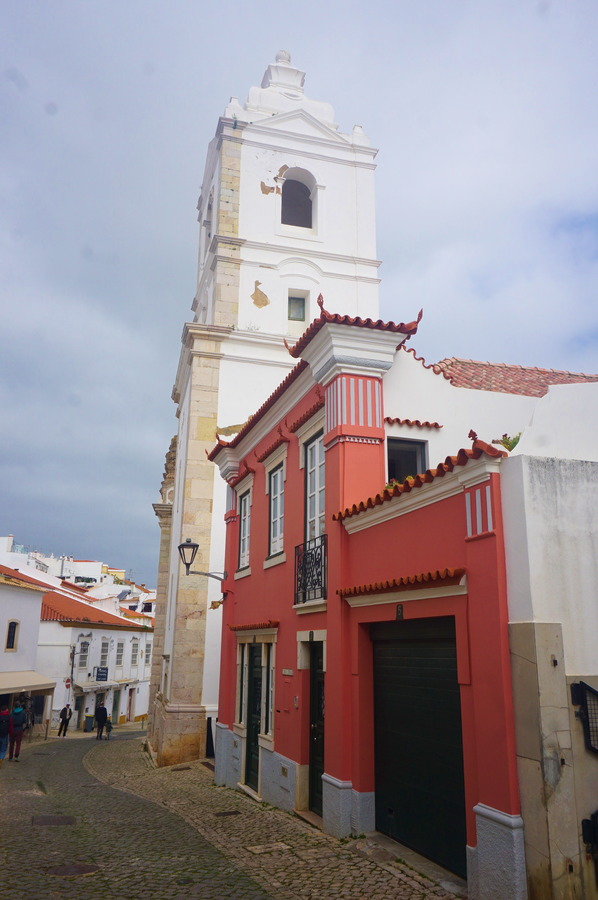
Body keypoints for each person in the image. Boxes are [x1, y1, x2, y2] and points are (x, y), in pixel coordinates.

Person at [0, 703, 10, 768]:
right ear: (7, 710)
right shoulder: (9, 717)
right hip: (5, 735)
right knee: (3, 749)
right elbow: (11, 727)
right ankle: (0, 760)